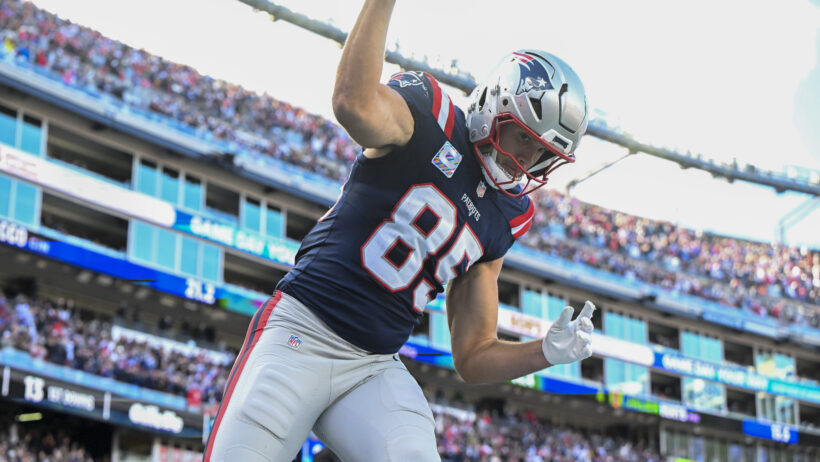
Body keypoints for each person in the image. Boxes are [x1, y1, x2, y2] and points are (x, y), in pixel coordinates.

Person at [204, 1, 594, 461]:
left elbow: (472, 355)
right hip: (301, 332)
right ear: (495, 105)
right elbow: (353, 103)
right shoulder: (429, 116)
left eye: (541, 154)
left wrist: (543, 353)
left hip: (371, 368)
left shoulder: (509, 213)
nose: (525, 160)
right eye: (522, 137)